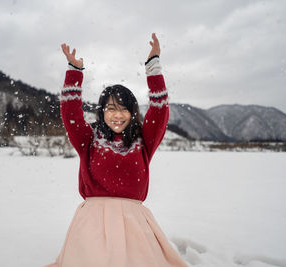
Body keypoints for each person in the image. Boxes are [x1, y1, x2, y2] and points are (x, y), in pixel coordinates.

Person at [44, 33, 188, 267]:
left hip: (135, 224)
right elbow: (70, 114)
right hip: (91, 223)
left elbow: (159, 111)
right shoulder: (88, 138)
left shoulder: (143, 140)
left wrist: (153, 68)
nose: (117, 114)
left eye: (124, 109)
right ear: (102, 112)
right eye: (110, 108)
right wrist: (74, 72)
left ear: (132, 113)